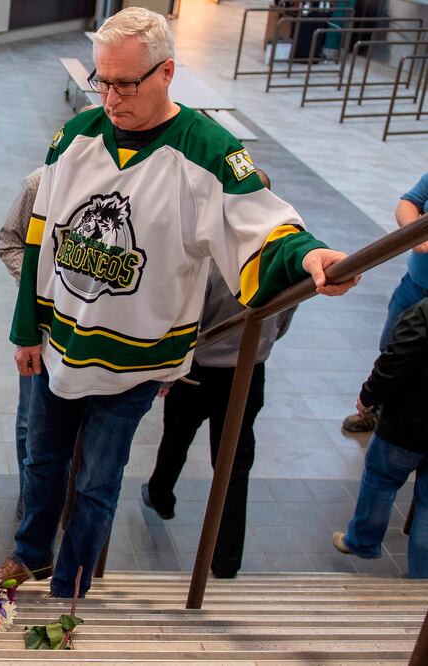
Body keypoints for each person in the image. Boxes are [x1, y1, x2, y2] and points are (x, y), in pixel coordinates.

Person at [3, 7, 358, 599]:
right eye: (102, 80)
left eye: (124, 83)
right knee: (42, 463)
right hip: (59, 345)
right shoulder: (76, 137)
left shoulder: (209, 152)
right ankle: (29, 555)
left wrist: (307, 256)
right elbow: (39, 236)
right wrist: (25, 330)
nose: (110, 98)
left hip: (133, 364)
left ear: (166, 72)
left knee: (96, 482)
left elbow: (261, 222)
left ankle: (72, 586)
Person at [140, 169, 296, 579]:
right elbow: (283, 320)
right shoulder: (282, 258)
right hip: (248, 374)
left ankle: (161, 495)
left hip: (198, 372)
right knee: (233, 464)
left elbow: (187, 318)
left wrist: (168, 370)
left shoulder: (211, 255)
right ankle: (226, 560)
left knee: (176, 437)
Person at [332, 297, 428, 578]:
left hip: (405, 427)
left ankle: (362, 541)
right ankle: (421, 583)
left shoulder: (422, 314)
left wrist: (368, 396)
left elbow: (393, 364)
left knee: (380, 480)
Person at [341, 172, 428, 433]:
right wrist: (417, 234)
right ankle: (376, 410)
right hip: (414, 285)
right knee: (391, 349)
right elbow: (409, 202)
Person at [0, 166, 43, 519]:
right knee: (30, 417)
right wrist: (34, 286)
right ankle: (31, 495)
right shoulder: (38, 183)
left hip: (88, 335)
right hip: (39, 328)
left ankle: (59, 494)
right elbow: (9, 240)